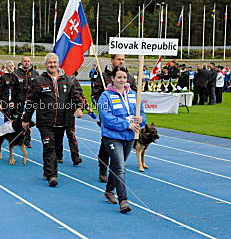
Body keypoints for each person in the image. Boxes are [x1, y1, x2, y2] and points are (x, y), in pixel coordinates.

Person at [22, 53, 83, 187]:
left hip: (62, 121)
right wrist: (26, 119)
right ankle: (52, 175)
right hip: (45, 121)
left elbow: (75, 97)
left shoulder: (68, 80)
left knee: (55, 147)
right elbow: (31, 101)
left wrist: (79, 107)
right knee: (49, 146)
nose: (52, 65)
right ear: (46, 64)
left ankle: (47, 169)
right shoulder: (38, 81)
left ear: (58, 63)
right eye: (50, 62)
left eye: (55, 62)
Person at [97, 67, 145, 213]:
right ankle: (123, 200)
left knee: (118, 165)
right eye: (119, 77)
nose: (122, 80)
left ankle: (109, 191)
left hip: (129, 137)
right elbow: (106, 118)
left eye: (124, 77)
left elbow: (141, 114)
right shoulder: (105, 96)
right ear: (113, 78)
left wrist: (140, 120)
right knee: (120, 167)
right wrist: (127, 124)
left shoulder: (133, 95)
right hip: (112, 137)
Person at [91, 54, 135, 183]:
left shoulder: (129, 77)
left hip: (126, 119)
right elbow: (95, 95)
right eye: (118, 59)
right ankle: (103, 168)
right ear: (112, 60)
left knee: (124, 145)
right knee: (106, 144)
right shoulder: (103, 76)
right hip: (109, 117)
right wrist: (105, 106)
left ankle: (115, 170)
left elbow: (135, 96)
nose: (120, 62)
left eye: (122, 59)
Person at [14, 55, 39, 148]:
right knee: (18, 121)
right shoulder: (16, 73)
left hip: (30, 102)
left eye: (28, 61)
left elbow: (38, 88)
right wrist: (12, 101)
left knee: (28, 120)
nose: (26, 62)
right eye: (25, 61)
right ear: (21, 62)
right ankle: (17, 139)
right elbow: (13, 88)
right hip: (19, 101)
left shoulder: (35, 73)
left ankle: (27, 140)